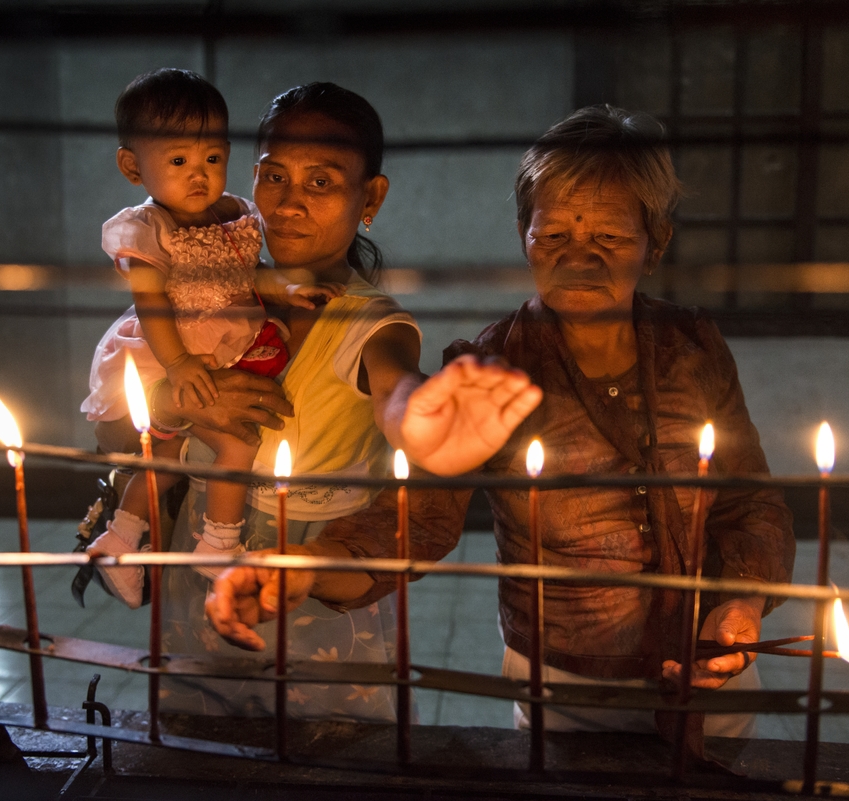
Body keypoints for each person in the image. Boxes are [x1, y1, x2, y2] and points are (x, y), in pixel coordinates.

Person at [205, 105, 796, 743]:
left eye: (610, 239)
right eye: (554, 238)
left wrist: (742, 602)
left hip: (712, 670)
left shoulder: (693, 346)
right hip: (563, 685)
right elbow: (415, 522)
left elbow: (748, 501)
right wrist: (307, 565)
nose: (580, 261)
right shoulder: (492, 367)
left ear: (656, 243)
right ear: (523, 236)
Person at [93, 82, 538, 720]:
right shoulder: (211, 295)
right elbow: (116, 427)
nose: (290, 203)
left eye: (322, 181)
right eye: (273, 176)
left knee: (321, 754)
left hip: (308, 585)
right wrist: (176, 404)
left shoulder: (371, 323)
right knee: (202, 748)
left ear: (370, 198)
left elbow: (394, 389)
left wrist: (425, 421)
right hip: (196, 567)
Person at [79, 69, 343, 607]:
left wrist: (289, 287)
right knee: (234, 442)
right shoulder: (147, 228)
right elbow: (151, 303)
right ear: (134, 166)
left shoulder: (237, 215)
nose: (198, 176)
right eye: (178, 162)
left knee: (169, 459)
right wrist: (177, 365)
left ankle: (120, 538)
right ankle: (218, 545)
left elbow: (253, 273)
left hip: (223, 342)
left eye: (212, 160)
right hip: (173, 351)